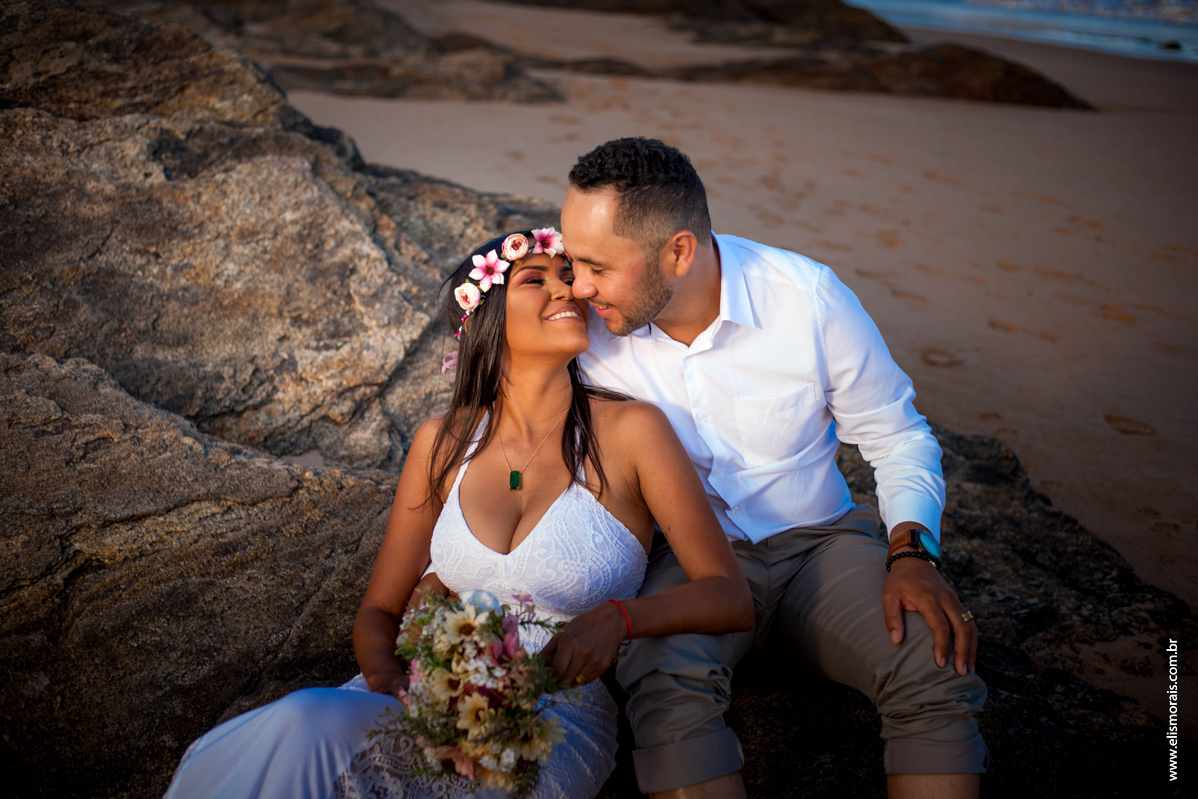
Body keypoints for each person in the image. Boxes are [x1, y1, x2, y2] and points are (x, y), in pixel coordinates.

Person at [162, 228, 753, 799]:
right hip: (422, 693)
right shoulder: (441, 443)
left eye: (570, 276)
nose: (567, 289)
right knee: (304, 721)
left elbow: (729, 596)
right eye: (535, 278)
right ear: (487, 320)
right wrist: (394, 685)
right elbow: (378, 611)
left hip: (550, 719)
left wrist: (618, 620)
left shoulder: (632, 431)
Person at [557, 138, 988, 799]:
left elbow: (898, 434)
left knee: (934, 658)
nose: (579, 287)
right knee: (661, 680)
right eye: (571, 260)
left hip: (821, 545)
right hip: (689, 560)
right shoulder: (588, 333)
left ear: (678, 251)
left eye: (597, 266)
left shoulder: (807, 297)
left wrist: (911, 552)